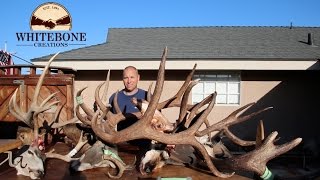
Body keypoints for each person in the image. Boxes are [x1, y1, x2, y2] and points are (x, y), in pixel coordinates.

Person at [109, 66, 149, 147]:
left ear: (138, 78)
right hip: (121, 144)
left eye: (132, 77)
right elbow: (109, 121)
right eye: (126, 78)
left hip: (143, 144)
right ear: (122, 79)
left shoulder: (147, 96)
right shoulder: (114, 97)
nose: (129, 81)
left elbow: (157, 120)